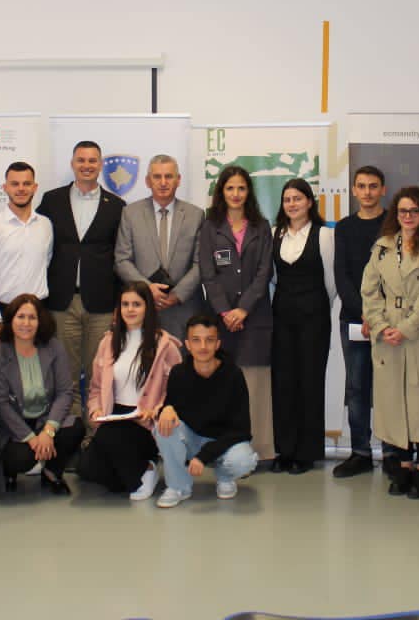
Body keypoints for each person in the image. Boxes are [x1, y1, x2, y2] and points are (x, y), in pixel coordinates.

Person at [361, 186, 419, 499]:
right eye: (402, 211)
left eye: (414, 211)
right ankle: (403, 466)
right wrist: (382, 325)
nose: (408, 216)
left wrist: (406, 328)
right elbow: (369, 290)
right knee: (393, 403)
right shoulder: (383, 247)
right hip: (387, 336)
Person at [37, 142, 126, 425]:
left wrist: (120, 304)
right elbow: (31, 230)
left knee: (99, 376)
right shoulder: (52, 200)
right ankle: (70, 435)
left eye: (92, 161)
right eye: (81, 160)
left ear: (100, 165)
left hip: (101, 304)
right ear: (72, 163)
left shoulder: (117, 206)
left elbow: (122, 258)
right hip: (62, 303)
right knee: (67, 376)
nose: (87, 165)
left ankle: (94, 437)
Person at [198, 165, 276, 462]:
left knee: (255, 385)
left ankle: (260, 450)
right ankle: (223, 450)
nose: (235, 194)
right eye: (230, 188)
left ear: (248, 192)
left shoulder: (261, 226)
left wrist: (243, 309)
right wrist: (226, 311)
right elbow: (208, 273)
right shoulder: (210, 226)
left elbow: (264, 271)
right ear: (221, 191)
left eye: (241, 188)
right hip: (221, 320)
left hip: (255, 318)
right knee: (223, 386)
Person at [78, 282, 182, 499]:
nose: (130, 309)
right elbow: (96, 387)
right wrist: (96, 409)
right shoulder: (108, 343)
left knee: (109, 436)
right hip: (114, 415)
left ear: (147, 308)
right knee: (86, 469)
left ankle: (146, 469)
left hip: (145, 420)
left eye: (136, 304)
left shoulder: (165, 345)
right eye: (125, 304)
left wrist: (158, 409)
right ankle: (140, 470)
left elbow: (177, 390)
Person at [153, 315, 258, 508]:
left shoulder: (233, 375)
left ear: (218, 344)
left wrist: (204, 456)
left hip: (223, 442)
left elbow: (241, 430)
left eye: (209, 340)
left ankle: (225, 477)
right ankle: (178, 486)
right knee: (163, 428)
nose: (203, 346)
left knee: (244, 461)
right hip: (193, 438)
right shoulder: (178, 373)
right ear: (187, 344)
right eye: (196, 340)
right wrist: (165, 409)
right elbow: (170, 406)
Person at [270, 178, 336, 474]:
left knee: (310, 383)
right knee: (283, 383)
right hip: (282, 317)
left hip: (314, 318)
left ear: (309, 202)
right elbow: (273, 277)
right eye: (287, 199)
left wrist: (315, 306)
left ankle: (306, 453)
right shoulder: (275, 233)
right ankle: (285, 450)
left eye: (298, 198)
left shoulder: (324, 235)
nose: (292, 204)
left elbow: (331, 283)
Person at [0, 293, 84, 496]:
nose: (26, 323)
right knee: (20, 459)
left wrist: (48, 431)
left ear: (40, 321)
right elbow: (2, 404)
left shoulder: (54, 347)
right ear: (10, 320)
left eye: (32, 317)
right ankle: (10, 471)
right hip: (14, 425)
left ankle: (51, 472)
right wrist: (32, 439)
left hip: (45, 419)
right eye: (20, 317)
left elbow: (65, 392)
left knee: (75, 429)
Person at [332, 165, 387, 478]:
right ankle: (360, 452)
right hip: (354, 320)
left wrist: (378, 315)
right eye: (362, 186)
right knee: (356, 388)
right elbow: (341, 276)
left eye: (373, 186)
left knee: (389, 388)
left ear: (383, 189)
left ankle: (393, 452)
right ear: (353, 190)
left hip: (389, 322)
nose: (367, 192)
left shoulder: (394, 223)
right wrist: (364, 313)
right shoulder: (344, 227)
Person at [114, 154, 206, 340]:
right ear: (148, 181)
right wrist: (148, 289)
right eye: (157, 177)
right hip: (143, 308)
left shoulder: (195, 215)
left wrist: (177, 295)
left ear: (178, 180)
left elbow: (201, 263)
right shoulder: (130, 213)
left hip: (184, 309)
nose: (163, 182)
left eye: (169, 176)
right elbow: (122, 260)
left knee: (182, 359)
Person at [0, 161, 53, 337]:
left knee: (38, 357)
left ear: (35, 187)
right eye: (15, 184)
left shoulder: (46, 225)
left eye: (26, 183)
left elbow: (45, 262)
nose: (21, 189)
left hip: (38, 313)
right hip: (3, 314)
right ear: (5, 188)